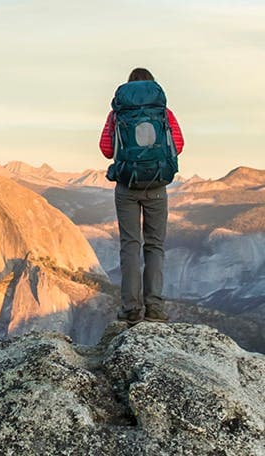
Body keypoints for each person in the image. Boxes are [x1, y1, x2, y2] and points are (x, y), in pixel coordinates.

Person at [99, 68, 184, 324]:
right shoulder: (163, 113)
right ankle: (155, 309)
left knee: (130, 246)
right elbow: (178, 145)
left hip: (126, 187)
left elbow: (105, 149)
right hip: (157, 186)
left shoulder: (117, 114)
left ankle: (131, 309)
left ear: (127, 88)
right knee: (155, 245)